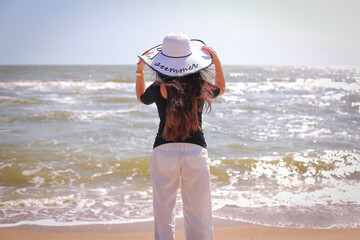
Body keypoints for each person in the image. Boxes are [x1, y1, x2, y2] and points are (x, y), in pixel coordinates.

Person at [135, 32, 225, 240]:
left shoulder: (160, 87)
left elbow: (141, 98)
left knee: (163, 211)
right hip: (196, 152)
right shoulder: (200, 85)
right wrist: (217, 63)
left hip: (163, 152)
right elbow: (221, 88)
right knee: (199, 211)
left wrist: (139, 73)